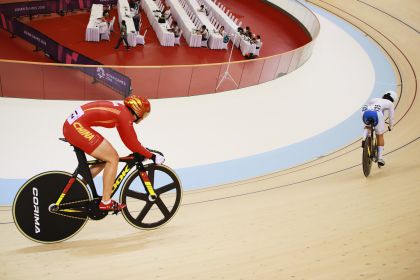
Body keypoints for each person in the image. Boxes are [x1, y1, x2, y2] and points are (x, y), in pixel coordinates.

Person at [62, 95, 165, 211]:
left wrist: (143, 151)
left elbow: (128, 140)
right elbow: (132, 143)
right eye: (144, 114)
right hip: (76, 127)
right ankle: (106, 202)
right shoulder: (125, 116)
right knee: (113, 158)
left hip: (73, 125)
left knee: (105, 159)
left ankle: (77, 189)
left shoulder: (122, 112)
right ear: (137, 110)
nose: (142, 118)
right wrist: (152, 156)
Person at [361, 90, 397, 166]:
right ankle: (380, 158)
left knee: (367, 126)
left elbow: (366, 106)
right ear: (393, 99)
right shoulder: (390, 104)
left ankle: (364, 138)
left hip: (365, 112)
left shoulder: (375, 99)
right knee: (379, 135)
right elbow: (391, 117)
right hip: (377, 115)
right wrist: (391, 126)